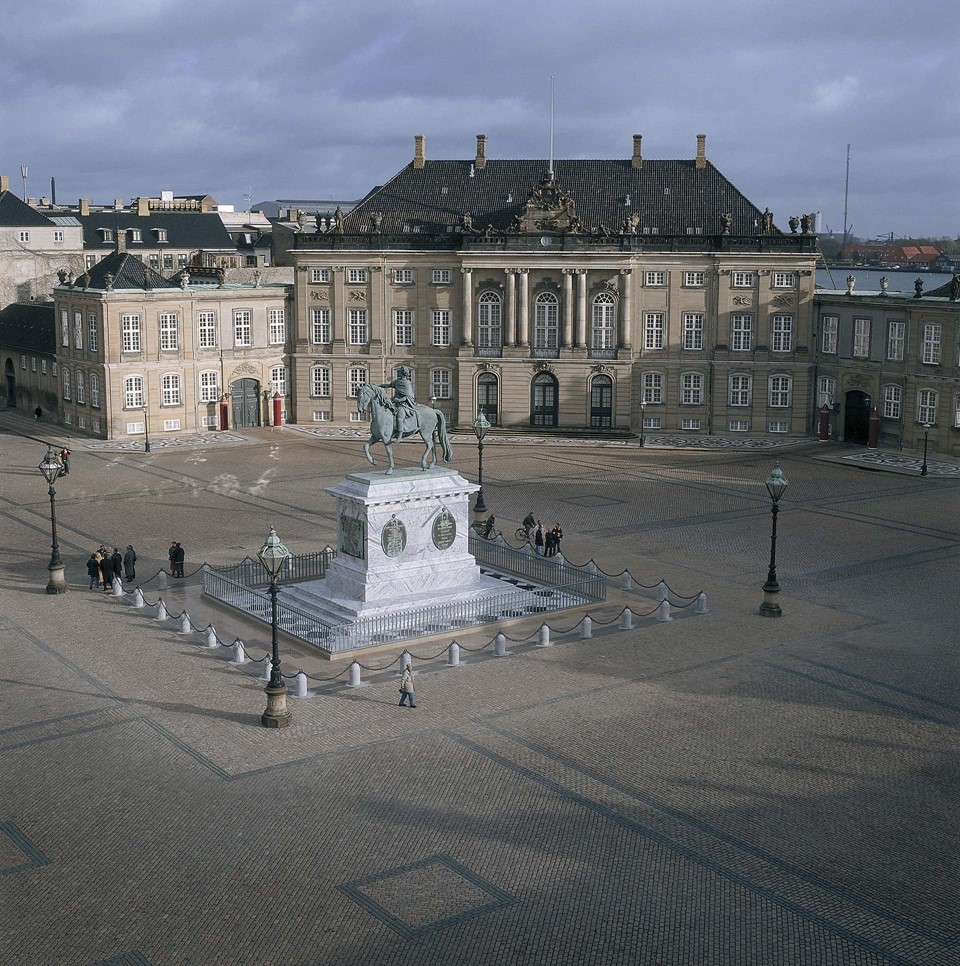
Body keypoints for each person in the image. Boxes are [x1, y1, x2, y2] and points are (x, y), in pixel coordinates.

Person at [378, 365, 418, 442]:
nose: (398, 373)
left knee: (400, 416)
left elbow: (409, 396)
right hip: (395, 402)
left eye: (399, 371)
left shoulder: (406, 383)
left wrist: (399, 400)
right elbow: (388, 385)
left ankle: (400, 435)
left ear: (403, 373)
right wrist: (378, 386)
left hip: (404, 404)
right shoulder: (397, 382)